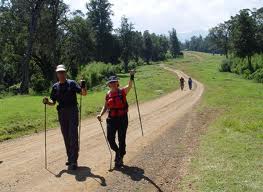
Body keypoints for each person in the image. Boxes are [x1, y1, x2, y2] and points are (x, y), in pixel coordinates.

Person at [43, 65, 87, 170]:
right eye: (59, 72)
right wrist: (46, 102)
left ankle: (74, 160)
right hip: (62, 113)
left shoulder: (71, 83)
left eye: (63, 72)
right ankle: (70, 158)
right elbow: (53, 102)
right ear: (57, 74)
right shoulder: (55, 87)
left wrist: (83, 86)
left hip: (72, 111)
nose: (61, 74)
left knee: (73, 135)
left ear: (65, 73)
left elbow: (83, 93)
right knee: (66, 136)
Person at [97, 71, 135, 168]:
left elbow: (130, 86)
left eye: (114, 82)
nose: (113, 84)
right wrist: (100, 114)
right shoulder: (108, 94)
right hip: (111, 118)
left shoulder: (122, 91)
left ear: (117, 83)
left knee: (122, 139)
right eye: (111, 82)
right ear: (109, 84)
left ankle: (120, 157)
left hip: (122, 118)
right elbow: (105, 106)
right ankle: (118, 152)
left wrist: (131, 75)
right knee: (110, 138)